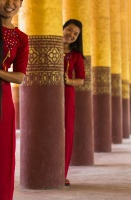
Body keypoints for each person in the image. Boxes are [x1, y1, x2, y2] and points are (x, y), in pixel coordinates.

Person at [0, 0, 29, 199]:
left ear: (21, 3)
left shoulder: (21, 38)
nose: (10, 3)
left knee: (3, 152)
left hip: (3, 98)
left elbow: (19, 77)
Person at [63, 19, 85, 186]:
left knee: (67, 130)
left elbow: (81, 80)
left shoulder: (76, 56)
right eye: (69, 30)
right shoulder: (50, 48)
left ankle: (62, 172)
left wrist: (69, 81)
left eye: (75, 34)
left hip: (67, 93)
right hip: (46, 92)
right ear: (63, 29)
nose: (71, 35)